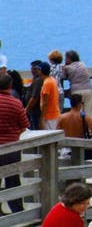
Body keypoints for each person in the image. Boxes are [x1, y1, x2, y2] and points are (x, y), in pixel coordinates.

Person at [0, 73, 29, 215]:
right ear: (10, 86)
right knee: (13, 180)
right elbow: (24, 125)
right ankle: (17, 211)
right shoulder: (16, 103)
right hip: (12, 148)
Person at [62, 50, 92, 115]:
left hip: (76, 91)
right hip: (88, 89)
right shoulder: (82, 64)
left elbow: (63, 75)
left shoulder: (67, 68)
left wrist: (64, 67)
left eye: (66, 58)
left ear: (69, 59)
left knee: (77, 112)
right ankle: (89, 124)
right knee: (88, 111)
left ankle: (79, 125)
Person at [39, 59, 61, 130]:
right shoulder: (52, 79)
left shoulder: (47, 83)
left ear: (41, 71)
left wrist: (42, 118)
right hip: (55, 113)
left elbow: (45, 102)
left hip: (49, 115)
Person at [24, 61, 46, 130]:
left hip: (36, 111)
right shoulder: (35, 79)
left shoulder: (38, 80)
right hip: (33, 111)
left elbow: (34, 97)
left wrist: (27, 109)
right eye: (31, 69)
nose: (32, 71)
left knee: (35, 129)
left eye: (34, 69)